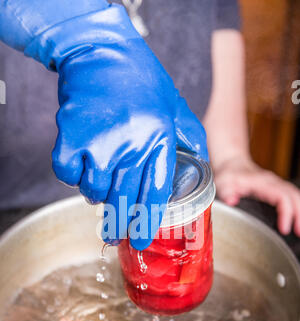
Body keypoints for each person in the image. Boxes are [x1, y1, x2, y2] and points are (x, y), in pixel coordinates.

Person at [0, 0, 299, 251]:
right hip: (15, 215)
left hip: (162, 199)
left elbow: (218, 15)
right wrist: (80, 37)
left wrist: (232, 157)